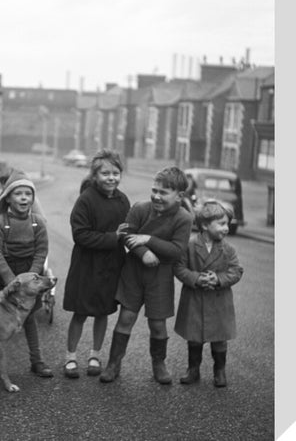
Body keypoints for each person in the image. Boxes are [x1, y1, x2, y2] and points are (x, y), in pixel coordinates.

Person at [100, 166, 193, 384]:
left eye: (163, 193)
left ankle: (159, 364)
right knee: (126, 318)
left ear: (179, 196)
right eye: (154, 190)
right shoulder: (140, 208)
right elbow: (125, 234)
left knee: (158, 324)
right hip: (133, 272)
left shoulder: (184, 218)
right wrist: (143, 253)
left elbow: (177, 250)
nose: (156, 196)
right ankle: (113, 363)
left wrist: (148, 239)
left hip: (160, 277)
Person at [0, 169, 53, 378]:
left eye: (28, 194)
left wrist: (31, 278)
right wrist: (12, 281)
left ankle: (37, 360)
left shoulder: (37, 222)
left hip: (29, 273)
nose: (24, 198)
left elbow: (41, 251)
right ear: (7, 197)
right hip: (3, 274)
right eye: (18, 194)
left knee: (28, 318)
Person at [62, 149, 130, 379]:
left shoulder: (123, 200)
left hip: (111, 267)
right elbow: (81, 235)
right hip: (87, 267)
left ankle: (95, 355)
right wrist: (114, 237)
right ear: (95, 175)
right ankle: (70, 357)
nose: (111, 178)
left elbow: (128, 232)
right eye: (105, 173)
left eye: (115, 173)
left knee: (103, 313)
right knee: (80, 313)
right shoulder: (86, 200)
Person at [174, 200, 243, 387]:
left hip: (219, 301)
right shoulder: (189, 246)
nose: (226, 228)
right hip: (194, 299)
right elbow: (179, 268)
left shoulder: (228, 249)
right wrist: (196, 278)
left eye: (227, 224)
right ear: (204, 225)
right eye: (221, 224)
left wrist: (218, 279)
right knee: (194, 337)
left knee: (219, 339)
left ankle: (219, 371)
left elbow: (236, 271)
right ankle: (193, 370)